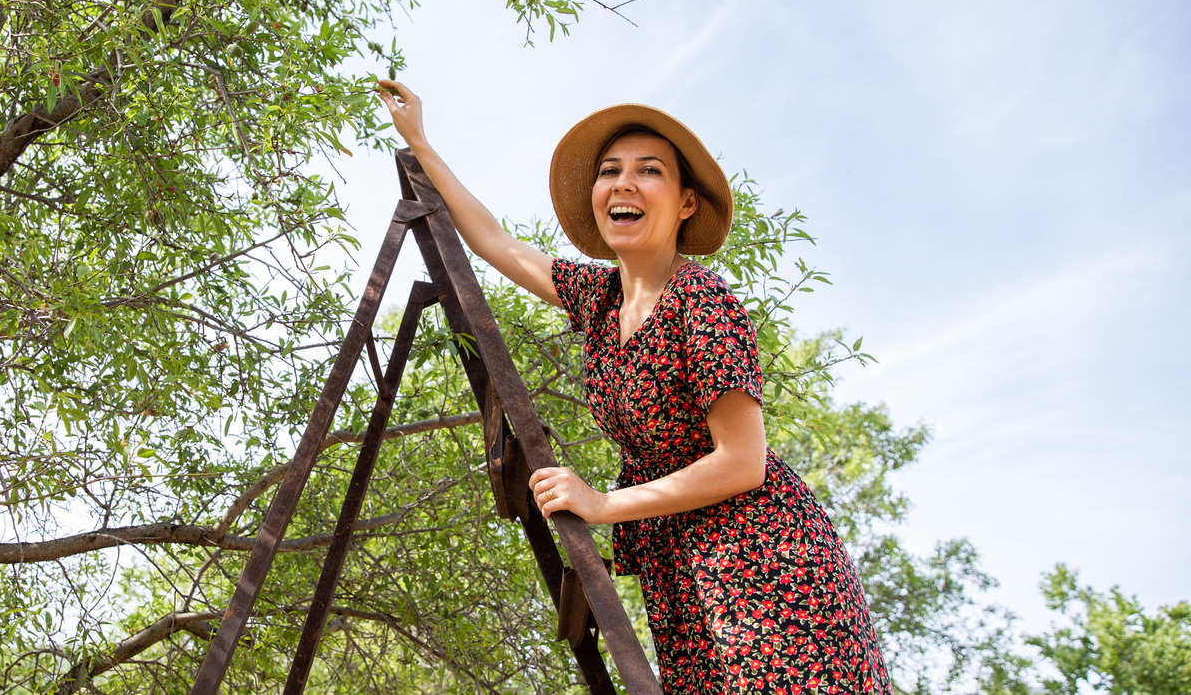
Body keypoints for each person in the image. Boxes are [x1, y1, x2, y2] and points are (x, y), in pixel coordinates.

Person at [376, 80, 890, 695]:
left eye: (649, 171)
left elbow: (743, 462)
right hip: (678, 565)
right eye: (610, 171)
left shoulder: (702, 299)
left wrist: (602, 504)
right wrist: (420, 141)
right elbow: (495, 242)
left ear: (686, 204)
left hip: (762, 557)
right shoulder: (600, 298)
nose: (624, 183)